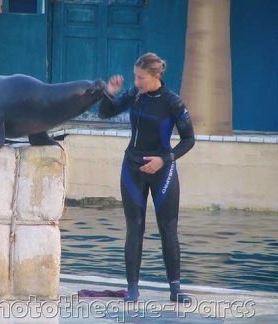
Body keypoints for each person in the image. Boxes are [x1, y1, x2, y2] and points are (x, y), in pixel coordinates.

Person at [98, 52, 195, 303]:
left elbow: (189, 140)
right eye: (135, 76)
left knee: (167, 229)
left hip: (162, 169)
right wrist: (109, 92)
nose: (136, 82)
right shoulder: (134, 95)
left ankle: (175, 289)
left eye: (141, 77)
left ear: (156, 76)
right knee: (135, 228)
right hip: (133, 167)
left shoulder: (172, 102)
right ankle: (132, 288)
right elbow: (104, 114)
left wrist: (164, 160)